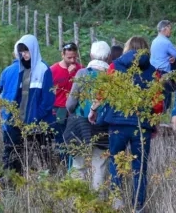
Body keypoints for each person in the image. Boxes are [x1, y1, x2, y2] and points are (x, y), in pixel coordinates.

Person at [89, 36, 156, 211]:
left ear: (127, 48)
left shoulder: (114, 67)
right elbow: (158, 103)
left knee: (115, 163)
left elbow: (103, 92)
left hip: (117, 124)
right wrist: (151, 119)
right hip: (141, 126)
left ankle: (117, 203)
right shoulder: (153, 71)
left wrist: (93, 109)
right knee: (139, 167)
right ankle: (138, 206)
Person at [0, 35, 55, 174]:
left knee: (44, 157)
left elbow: (48, 99)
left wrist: (36, 117)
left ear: (33, 49)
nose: (24, 55)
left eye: (27, 51)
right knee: (17, 157)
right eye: (22, 52)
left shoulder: (43, 69)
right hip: (18, 121)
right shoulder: (19, 68)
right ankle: (15, 183)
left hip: (38, 123)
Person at [65, 41, 110, 192]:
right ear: (108, 57)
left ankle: (78, 201)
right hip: (102, 126)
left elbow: (70, 103)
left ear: (91, 55)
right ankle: (98, 203)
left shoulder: (82, 74)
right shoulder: (110, 77)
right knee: (100, 165)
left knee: (78, 165)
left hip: (80, 124)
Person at [50, 41, 83, 163]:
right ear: (62, 55)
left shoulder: (80, 69)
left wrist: (74, 73)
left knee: (75, 139)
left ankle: (73, 163)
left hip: (75, 109)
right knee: (61, 138)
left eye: (74, 57)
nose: (72, 60)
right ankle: (62, 163)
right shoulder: (53, 70)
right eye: (69, 57)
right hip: (59, 109)